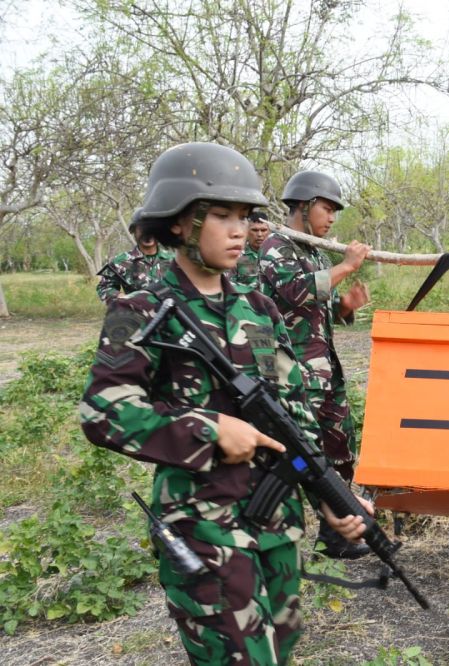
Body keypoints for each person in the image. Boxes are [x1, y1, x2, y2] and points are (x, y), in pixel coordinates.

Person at [79, 142, 372, 665]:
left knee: (278, 652)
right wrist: (207, 428)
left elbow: (291, 412)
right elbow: (102, 409)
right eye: (221, 216)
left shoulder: (257, 306)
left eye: (245, 216)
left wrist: (328, 489)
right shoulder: (136, 308)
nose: (239, 230)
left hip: (275, 524)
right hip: (204, 526)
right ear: (178, 223)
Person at [258, 170, 372, 560]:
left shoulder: (315, 252)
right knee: (303, 453)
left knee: (340, 451)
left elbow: (317, 310)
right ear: (304, 207)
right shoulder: (275, 247)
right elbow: (296, 293)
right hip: (295, 376)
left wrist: (345, 306)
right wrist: (347, 267)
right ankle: (278, 532)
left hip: (327, 371)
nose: (332, 218)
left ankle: (335, 534)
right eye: (327, 208)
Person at [95, 207, 174, 304]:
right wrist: (123, 298)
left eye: (152, 228)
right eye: (143, 228)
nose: (147, 233)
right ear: (134, 231)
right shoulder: (121, 261)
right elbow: (104, 287)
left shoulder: (174, 261)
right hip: (137, 316)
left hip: (170, 316)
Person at [230, 209, 271, 289]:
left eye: (263, 230)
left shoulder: (278, 255)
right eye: (254, 230)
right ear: (246, 231)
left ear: (269, 231)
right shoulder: (237, 255)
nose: (259, 234)